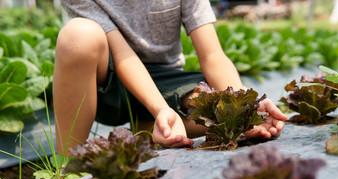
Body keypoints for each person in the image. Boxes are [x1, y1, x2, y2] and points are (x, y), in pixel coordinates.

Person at [53, 0, 287, 158]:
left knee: (224, 109)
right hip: (108, 83)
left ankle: (148, 130)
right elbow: (124, 58)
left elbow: (213, 55)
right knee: (78, 36)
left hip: (165, 79)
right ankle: (68, 165)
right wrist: (160, 108)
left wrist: (243, 103)